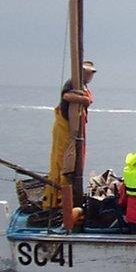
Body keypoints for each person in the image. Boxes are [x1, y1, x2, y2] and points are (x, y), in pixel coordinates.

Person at [43, 60, 96, 209]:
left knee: (74, 161)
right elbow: (66, 96)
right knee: (61, 162)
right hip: (64, 127)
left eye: (91, 73)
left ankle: (68, 199)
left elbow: (89, 100)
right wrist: (83, 99)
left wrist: (86, 100)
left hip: (75, 131)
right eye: (87, 72)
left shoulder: (83, 86)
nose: (89, 75)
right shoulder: (72, 83)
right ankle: (56, 202)